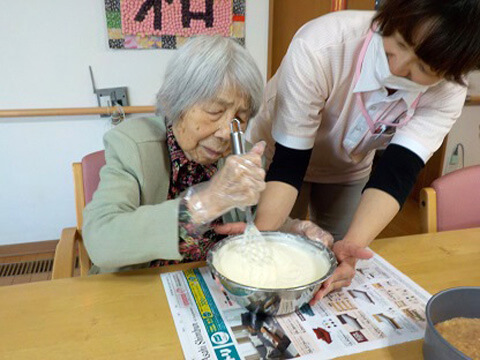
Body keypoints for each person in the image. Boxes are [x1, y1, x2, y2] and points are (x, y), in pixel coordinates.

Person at [245, 0, 480, 302]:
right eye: (398, 43)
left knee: (335, 259)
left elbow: (396, 173)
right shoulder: (321, 45)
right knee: (272, 243)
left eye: (422, 67)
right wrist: (255, 244)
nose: (398, 67)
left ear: (447, 73)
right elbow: (289, 164)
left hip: (348, 166)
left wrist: (351, 248)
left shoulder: (448, 93)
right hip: (280, 156)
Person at [83, 36, 332, 274]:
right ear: (174, 103)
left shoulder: (241, 154)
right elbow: (101, 239)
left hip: (210, 287)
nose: (226, 132)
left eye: (240, 119)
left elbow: (256, 219)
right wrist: (207, 202)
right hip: (139, 288)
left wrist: (295, 229)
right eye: (214, 110)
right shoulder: (131, 144)